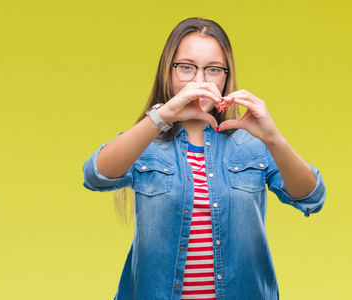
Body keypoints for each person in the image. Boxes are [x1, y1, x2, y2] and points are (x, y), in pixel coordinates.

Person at [83, 17, 326, 300]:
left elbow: (312, 197)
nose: (199, 81)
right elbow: (95, 176)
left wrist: (274, 138)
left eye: (212, 70)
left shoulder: (253, 145)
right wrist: (161, 116)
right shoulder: (145, 141)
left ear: (226, 76)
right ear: (168, 71)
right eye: (186, 67)